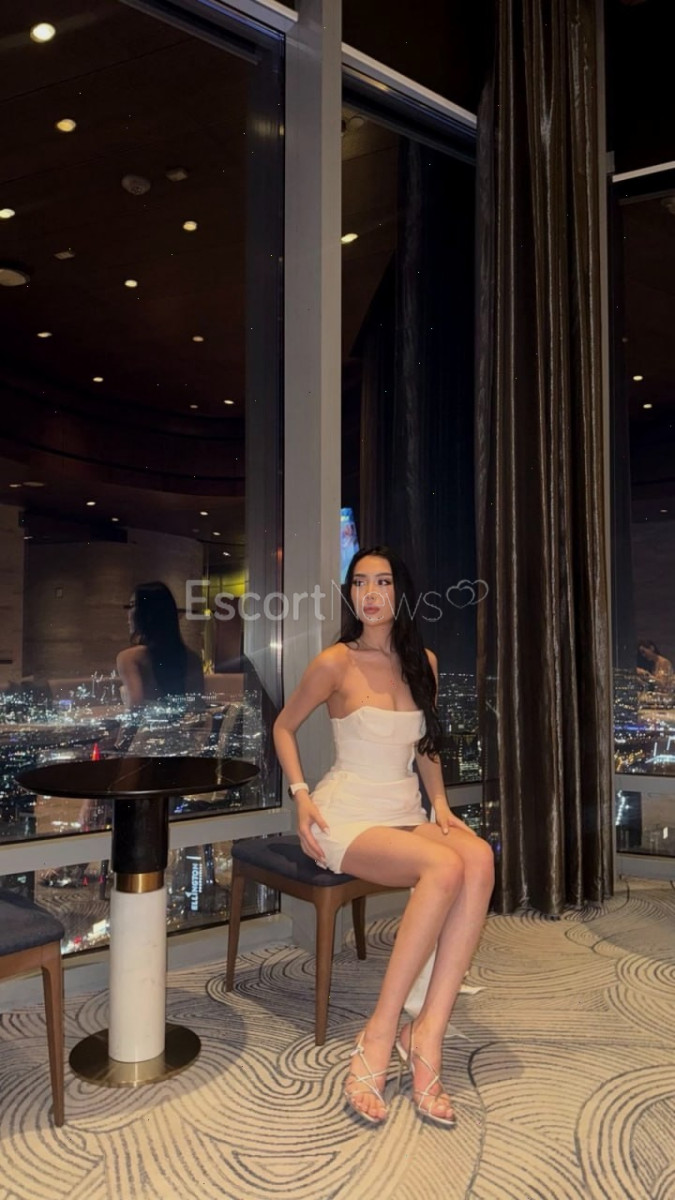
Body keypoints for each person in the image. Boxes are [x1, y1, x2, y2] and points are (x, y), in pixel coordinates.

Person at [273, 546, 494, 1126]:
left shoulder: (424, 661)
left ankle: (426, 1035)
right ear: (351, 595)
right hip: (346, 813)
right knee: (444, 868)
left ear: (401, 593)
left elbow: (426, 747)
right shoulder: (334, 662)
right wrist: (301, 795)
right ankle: (379, 1032)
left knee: (478, 858)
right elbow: (284, 726)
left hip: (404, 809)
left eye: (383, 582)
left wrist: (440, 805)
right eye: (360, 583)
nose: (370, 593)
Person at [118, 580, 204, 707]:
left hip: (146, 720)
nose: (128, 613)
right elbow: (198, 707)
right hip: (185, 720)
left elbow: (135, 707)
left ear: (147, 613)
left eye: (132, 605)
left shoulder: (129, 658)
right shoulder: (193, 659)